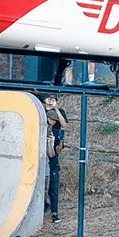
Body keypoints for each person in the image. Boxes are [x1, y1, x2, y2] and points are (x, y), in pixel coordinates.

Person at [44, 95, 67, 223]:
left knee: (53, 186)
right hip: (42, 157)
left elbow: (64, 124)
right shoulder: (41, 113)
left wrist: (56, 108)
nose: (53, 121)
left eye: (53, 99)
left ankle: (54, 212)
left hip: (53, 158)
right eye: (49, 99)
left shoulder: (59, 115)